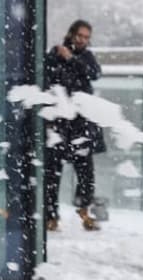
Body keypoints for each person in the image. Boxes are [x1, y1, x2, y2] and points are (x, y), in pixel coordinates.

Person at [43, 19, 105, 232]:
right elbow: (47, 77)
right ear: (71, 34)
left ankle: (83, 210)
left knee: (86, 171)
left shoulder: (85, 57)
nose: (82, 41)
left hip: (81, 122)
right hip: (60, 121)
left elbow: (94, 73)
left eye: (86, 37)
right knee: (53, 171)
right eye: (80, 36)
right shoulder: (54, 54)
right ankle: (51, 216)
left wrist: (71, 59)